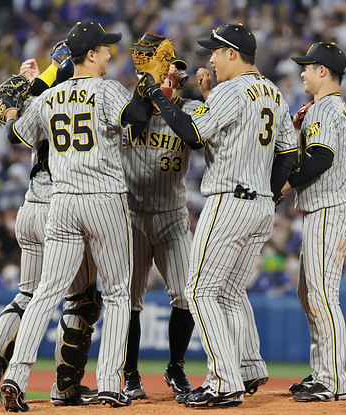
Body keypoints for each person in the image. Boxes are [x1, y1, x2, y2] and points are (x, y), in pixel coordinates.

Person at [136, 23, 298, 406]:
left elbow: (192, 133)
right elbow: (288, 153)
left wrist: (159, 99)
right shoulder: (273, 92)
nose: (209, 58)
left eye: (215, 51)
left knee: (200, 290)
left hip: (229, 199)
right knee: (228, 291)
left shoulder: (232, 89)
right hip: (260, 206)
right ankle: (247, 366)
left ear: (232, 54)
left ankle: (224, 381)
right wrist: (271, 194)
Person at [0, 20, 152, 412]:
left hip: (63, 201)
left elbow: (17, 135)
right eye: (106, 48)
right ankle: (109, 385)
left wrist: (15, 110)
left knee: (46, 292)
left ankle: (16, 375)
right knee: (117, 293)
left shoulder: (51, 97)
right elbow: (136, 119)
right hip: (102, 199)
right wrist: (147, 85)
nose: (110, 53)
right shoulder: (108, 89)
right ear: (92, 54)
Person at [0, 47, 100, 409]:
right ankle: (66, 387)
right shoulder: (79, 99)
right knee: (82, 299)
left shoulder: (37, 101)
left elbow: (17, 109)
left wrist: (30, 85)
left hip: (29, 206)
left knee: (28, 295)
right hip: (61, 208)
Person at [120, 54, 201, 400]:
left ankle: (176, 366)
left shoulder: (192, 111)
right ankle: (130, 374)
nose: (172, 79)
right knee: (128, 300)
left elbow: (198, 134)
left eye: (175, 75)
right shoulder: (129, 108)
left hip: (171, 216)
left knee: (188, 294)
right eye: (164, 74)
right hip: (132, 216)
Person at [284, 42, 346, 402]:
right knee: (309, 295)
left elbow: (320, 159)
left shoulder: (326, 108)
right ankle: (322, 371)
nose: (302, 72)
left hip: (330, 209)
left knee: (323, 296)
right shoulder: (326, 107)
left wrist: (286, 181)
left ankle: (332, 379)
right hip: (325, 210)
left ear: (323, 71)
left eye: (308, 67)